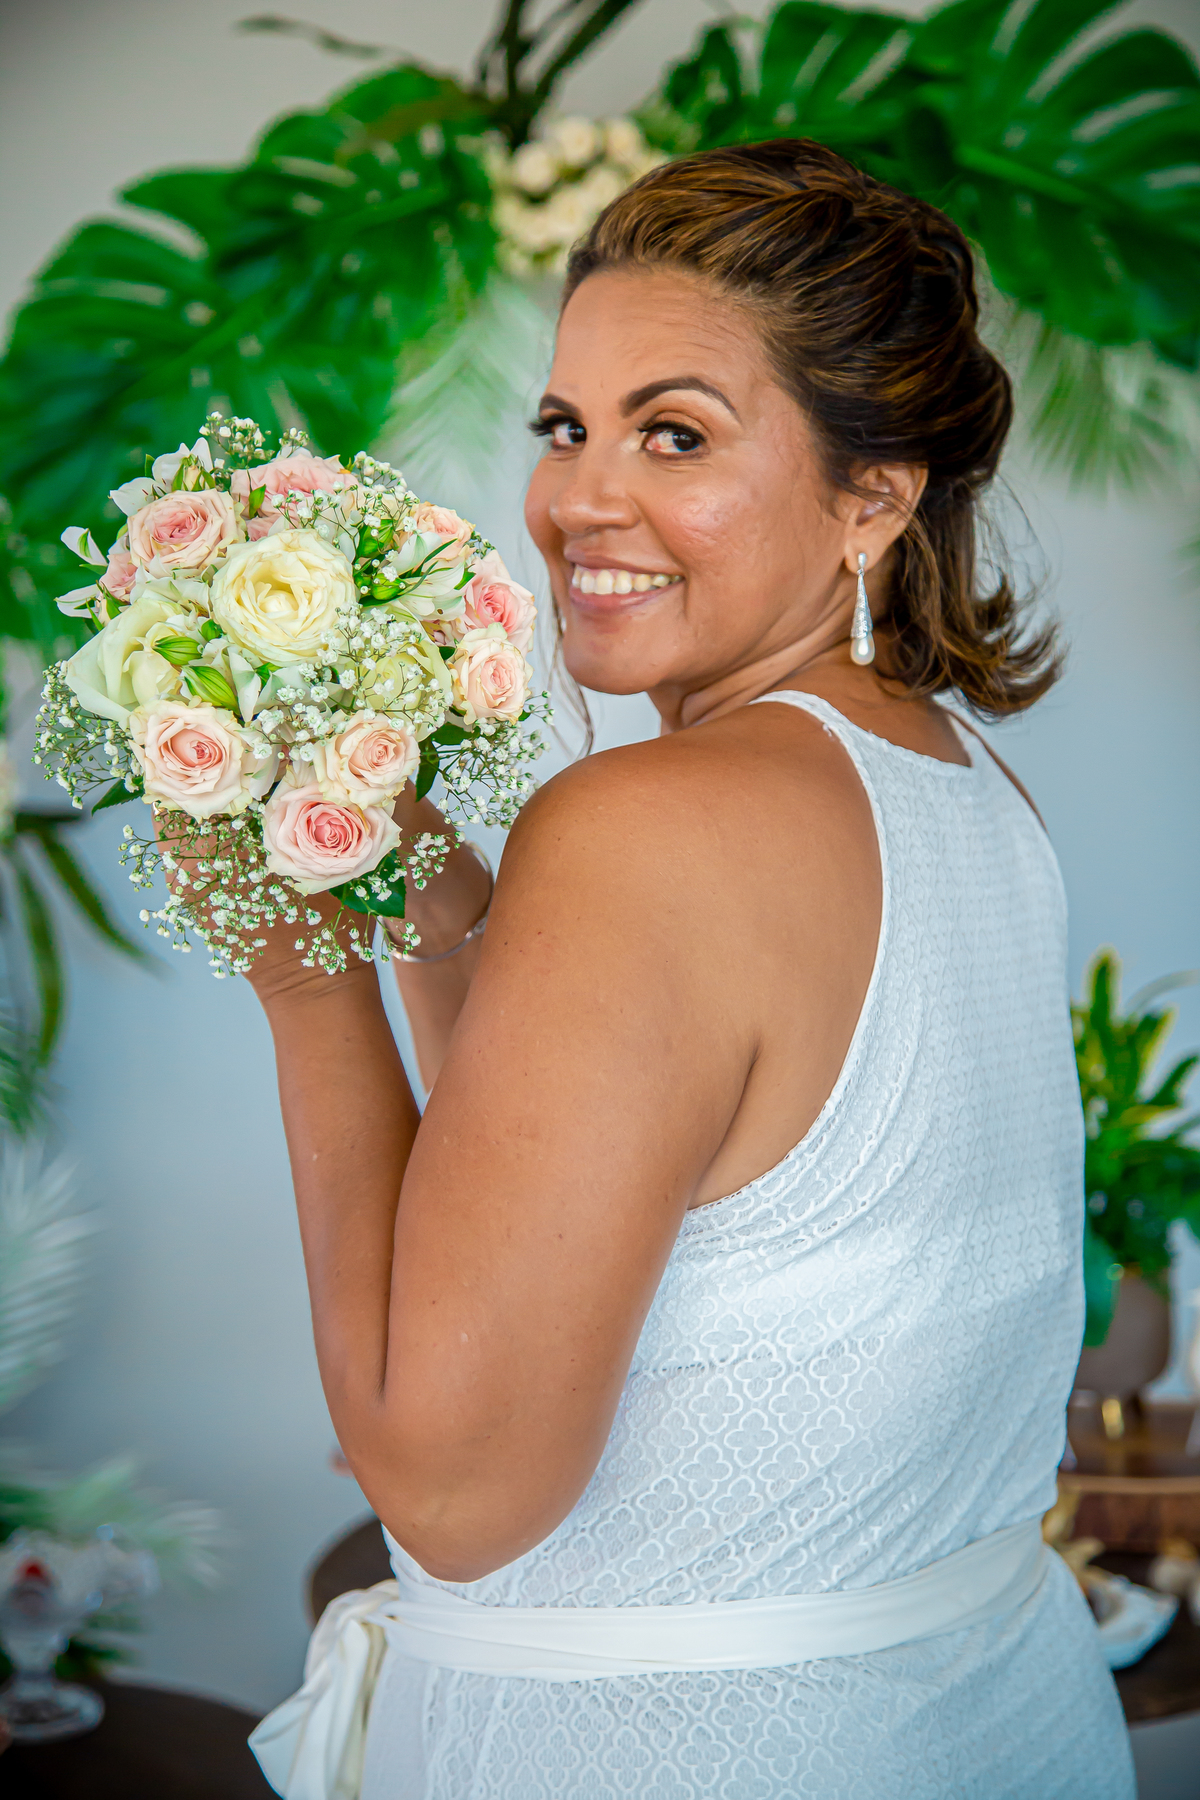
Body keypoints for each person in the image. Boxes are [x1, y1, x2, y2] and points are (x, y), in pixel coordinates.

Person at [247, 141, 1134, 1799]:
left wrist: (304, 978)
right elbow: (612, 1161)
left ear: (875, 496)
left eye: (676, 434)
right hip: (981, 1718)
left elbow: (447, 1492)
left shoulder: (649, 824)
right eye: (564, 426)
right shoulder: (966, 789)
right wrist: (414, 877)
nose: (578, 499)